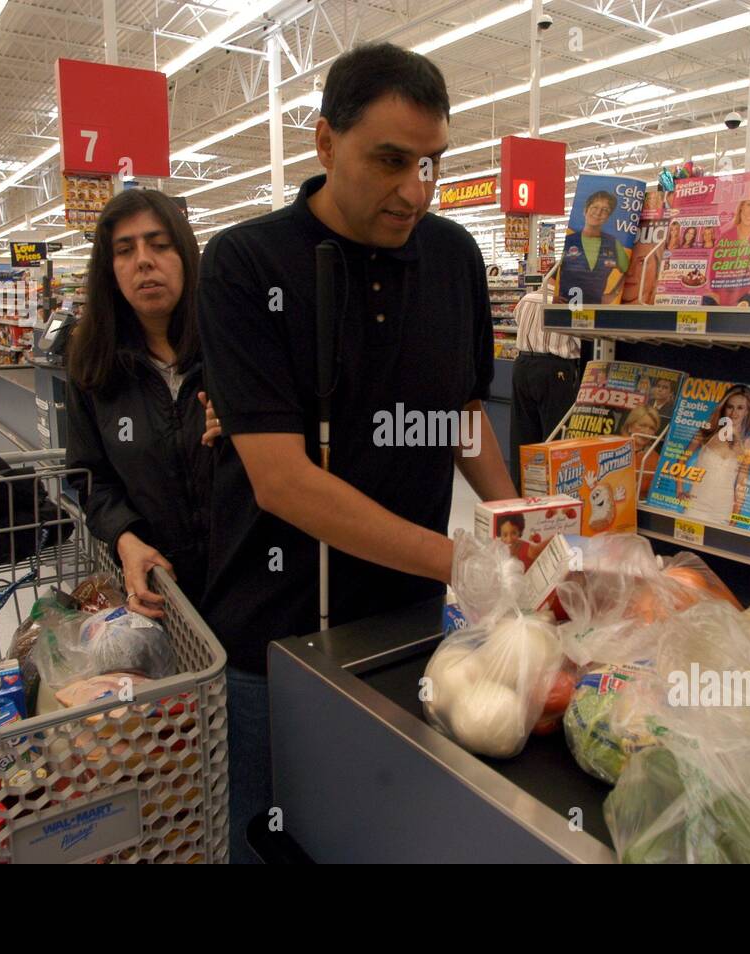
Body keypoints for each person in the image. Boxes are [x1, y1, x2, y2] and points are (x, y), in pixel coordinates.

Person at [197, 42, 515, 863]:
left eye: (432, 164)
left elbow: (460, 410)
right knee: (269, 838)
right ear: (325, 143)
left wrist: (514, 522)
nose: (417, 189)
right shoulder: (245, 266)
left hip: (411, 633)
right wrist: (456, 559)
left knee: (384, 834)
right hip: (275, 639)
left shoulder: (453, 257)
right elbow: (282, 481)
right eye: (391, 159)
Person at [66, 188, 221, 625]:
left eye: (159, 244)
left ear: (186, 253)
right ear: (110, 269)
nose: (143, 261)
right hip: (160, 593)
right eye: (124, 249)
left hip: (249, 586)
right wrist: (124, 538)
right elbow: (90, 476)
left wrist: (245, 431)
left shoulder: (232, 344)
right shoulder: (91, 364)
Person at [510, 289, 581, 488]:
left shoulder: (527, 299)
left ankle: (519, 494)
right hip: (555, 368)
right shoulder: (569, 303)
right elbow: (582, 336)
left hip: (522, 365)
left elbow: (517, 319)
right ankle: (553, 495)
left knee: (522, 436)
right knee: (555, 437)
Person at [677, 385, 750, 524]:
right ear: (724, 408)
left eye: (740, 408)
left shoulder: (749, 445)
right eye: (730, 406)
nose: (734, 413)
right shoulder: (706, 432)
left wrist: (736, 514)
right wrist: (679, 490)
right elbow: (681, 461)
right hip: (696, 504)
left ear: (747, 411)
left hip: (723, 510)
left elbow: (742, 481)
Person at [557, 189, 631, 305]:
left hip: (597, 311)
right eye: (594, 207)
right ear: (585, 211)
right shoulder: (569, 241)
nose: (598, 212)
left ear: (608, 217)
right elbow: (554, 275)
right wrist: (553, 296)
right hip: (567, 309)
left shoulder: (613, 244)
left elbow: (629, 271)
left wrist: (613, 294)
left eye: (605, 210)